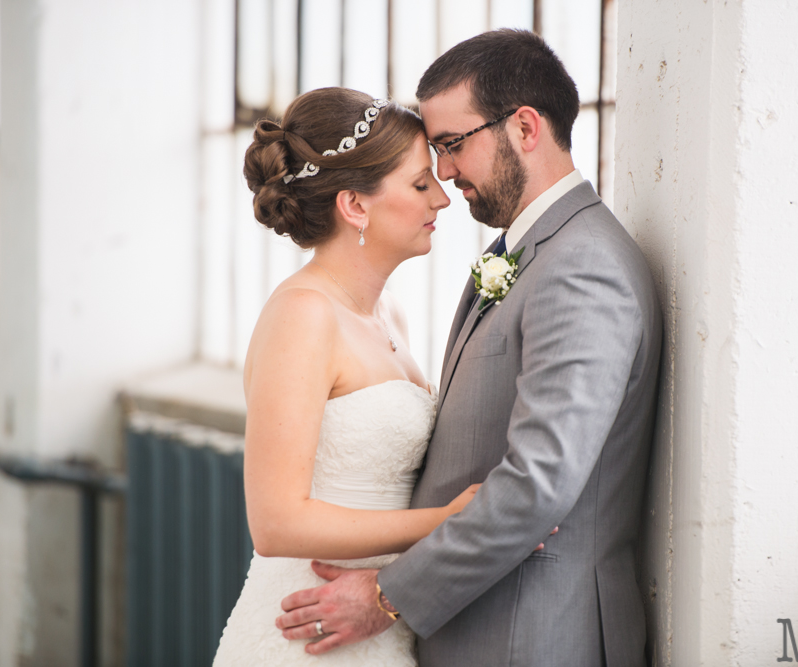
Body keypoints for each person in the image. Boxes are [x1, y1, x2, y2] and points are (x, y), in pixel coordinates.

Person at [276, 29, 663, 667]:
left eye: (453, 145)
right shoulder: (519, 253)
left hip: (532, 633)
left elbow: (537, 483)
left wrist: (386, 594)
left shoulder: (582, 267)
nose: (445, 174)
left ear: (526, 128)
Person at [212, 87, 477, 666]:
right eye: (418, 183)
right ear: (355, 205)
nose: (442, 199)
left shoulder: (391, 314)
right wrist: (448, 523)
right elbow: (276, 522)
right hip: (309, 629)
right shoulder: (302, 316)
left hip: (378, 622)